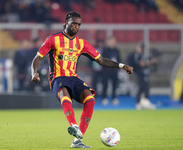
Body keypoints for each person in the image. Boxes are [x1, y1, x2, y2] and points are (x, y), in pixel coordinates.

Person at [31, 11, 133, 148]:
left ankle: (77, 140)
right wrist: (34, 73)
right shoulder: (53, 39)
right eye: (74, 23)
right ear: (67, 21)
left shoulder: (82, 43)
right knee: (65, 96)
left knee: (90, 100)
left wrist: (122, 65)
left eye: (79, 24)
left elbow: (101, 60)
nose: (76, 27)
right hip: (57, 77)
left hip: (73, 77)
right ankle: (74, 125)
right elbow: (37, 58)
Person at [133, 44, 156, 110]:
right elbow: (142, 64)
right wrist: (149, 62)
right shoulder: (138, 56)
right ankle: (139, 102)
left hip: (144, 73)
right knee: (142, 87)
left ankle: (143, 102)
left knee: (145, 88)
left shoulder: (142, 55)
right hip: (140, 74)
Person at [101, 36, 121, 106]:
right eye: (111, 42)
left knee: (114, 85)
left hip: (114, 71)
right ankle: (104, 98)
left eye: (114, 42)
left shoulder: (116, 50)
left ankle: (114, 98)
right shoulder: (105, 50)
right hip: (106, 71)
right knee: (105, 85)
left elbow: (119, 59)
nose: (112, 43)